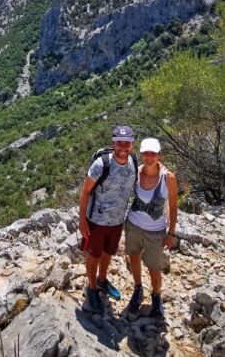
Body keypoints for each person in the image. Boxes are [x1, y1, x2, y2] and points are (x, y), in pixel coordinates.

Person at [79, 125, 138, 313]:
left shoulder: (133, 162)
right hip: (97, 219)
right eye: (119, 143)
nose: (123, 147)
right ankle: (92, 287)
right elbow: (86, 191)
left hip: (117, 220)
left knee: (108, 252)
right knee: (94, 255)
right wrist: (82, 220)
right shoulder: (101, 165)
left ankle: (102, 280)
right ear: (113, 143)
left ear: (132, 145)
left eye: (126, 143)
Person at [124, 137, 178, 318]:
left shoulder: (168, 177)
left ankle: (156, 297)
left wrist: (171, 233)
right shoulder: (136, 173)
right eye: (146, 153)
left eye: (153, 153)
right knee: (133, 258)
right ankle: (138, 289)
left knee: (154, 268)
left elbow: (173, 206)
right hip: (133, 225)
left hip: (156, 230)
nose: (149, 157)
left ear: (159, 155)